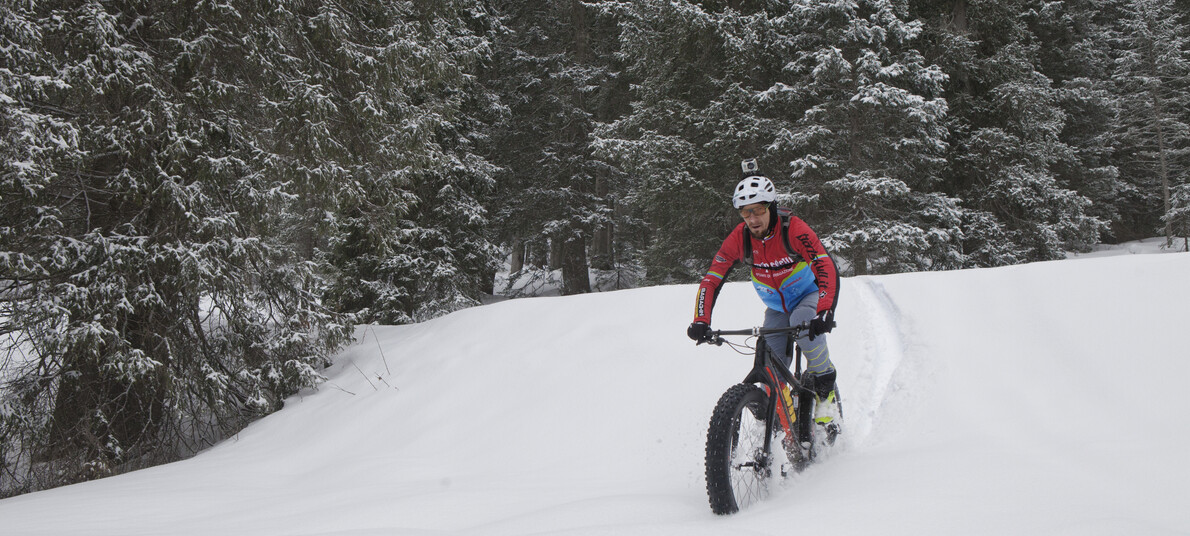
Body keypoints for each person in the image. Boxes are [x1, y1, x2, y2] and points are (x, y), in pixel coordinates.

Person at [687, 161, 841, 433]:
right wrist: (701, 319)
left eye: (758, 210)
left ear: (770, 207)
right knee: (770, 365)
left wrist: (825, 311)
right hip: (775, 307)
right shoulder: (740, 238)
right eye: (746, 213)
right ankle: (783, 417)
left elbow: (824, 264)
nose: (753, 219)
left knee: (804, 321)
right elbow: (712, 279)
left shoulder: (793, 229)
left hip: (808, 295)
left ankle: (826, 388)